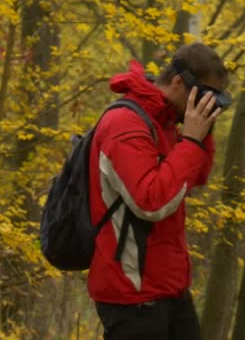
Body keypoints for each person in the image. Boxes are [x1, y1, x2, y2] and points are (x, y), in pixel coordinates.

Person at [88, 42, 230, 340]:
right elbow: (151, 202)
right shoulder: (124, 124)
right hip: (133, 296)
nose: (207, 104)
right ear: (179, 82)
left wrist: (203, 133)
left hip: (170, 288)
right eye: (203, 96)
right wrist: (190, 140)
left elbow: (196, 177)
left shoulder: (163, 122)